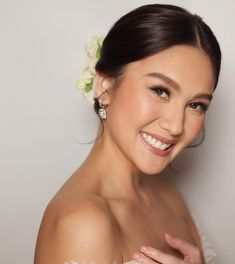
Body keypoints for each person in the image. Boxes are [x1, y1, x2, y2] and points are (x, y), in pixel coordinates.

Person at [34, 4, 221, 264]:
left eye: (196, 105)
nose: (176, 126)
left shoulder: (170, 198)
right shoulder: (82, 225)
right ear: (106, 85)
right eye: (160, 90)